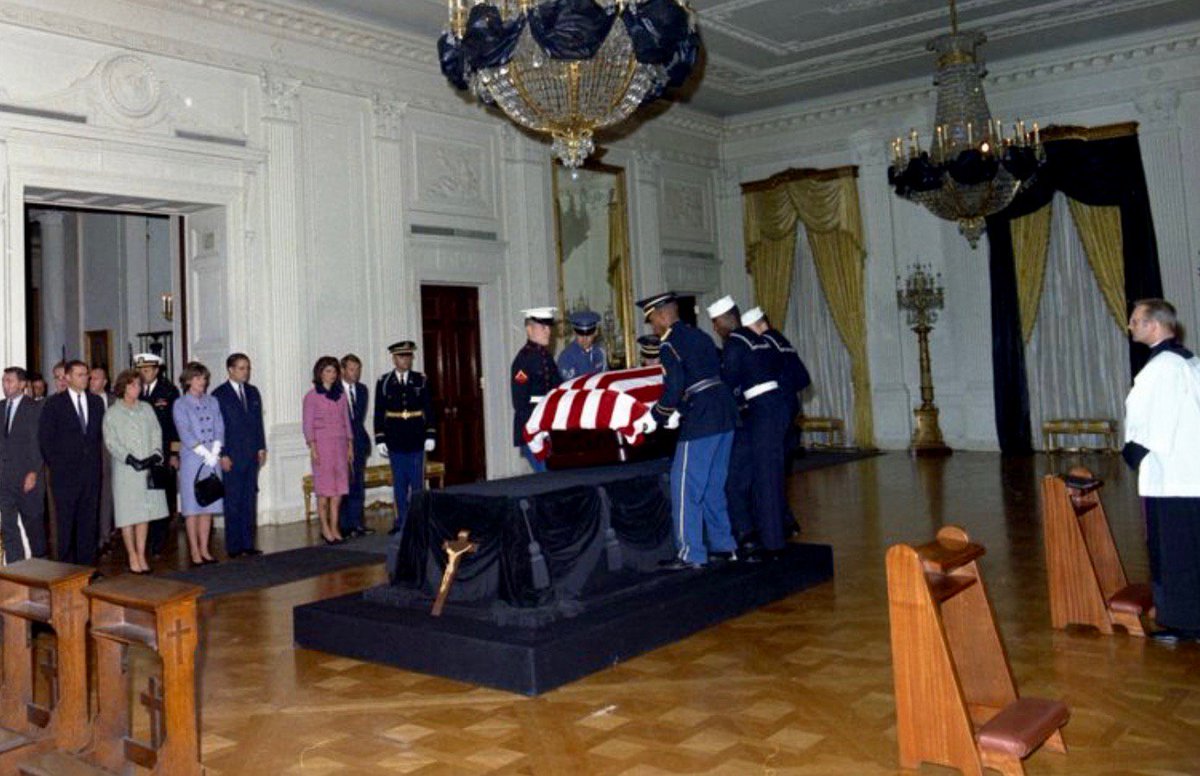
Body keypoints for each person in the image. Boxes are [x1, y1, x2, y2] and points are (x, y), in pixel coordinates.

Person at [639, 291, 738, 569]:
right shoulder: (700, 336)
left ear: (662, 315)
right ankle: (724, 545)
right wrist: (679, 411)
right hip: (724, 413)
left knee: (685, 485)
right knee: (713, 485)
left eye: (652, 320)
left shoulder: (669, 344)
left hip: (702, 419)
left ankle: (690, 553)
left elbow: (675, 385)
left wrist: (656, 416)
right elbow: (704, 377)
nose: (653, 326)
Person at [1122, 298, 1200, 643]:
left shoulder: (1164, 367)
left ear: (1154, 325)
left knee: (1176, 553)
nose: (1130, 326)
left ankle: (1186, 624)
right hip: (1189, 472)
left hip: (1173, 478)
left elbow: (1153, 419)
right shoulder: (1188, 360)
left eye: (1136, 321)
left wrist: (1133, 453)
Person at [709, 296, 789, 561]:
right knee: (767, 475)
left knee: (765, 479)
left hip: (762, 412)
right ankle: (772, 536)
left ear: (723, 321)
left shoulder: (734, 343)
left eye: (716, 324)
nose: (716, 329)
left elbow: (729, 381)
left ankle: (772, 544)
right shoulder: (757, 338)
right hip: (774, 407)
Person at [743, 305, 811, 538]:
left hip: (775, 410)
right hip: (788, 408)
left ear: (760, 325)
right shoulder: (781, 340)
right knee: (779, 471)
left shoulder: (768, 343)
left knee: (772, 472)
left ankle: (780, 523)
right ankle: (786, 520)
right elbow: (802, 378)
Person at [38, 360, 105, 564]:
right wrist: (58, 467)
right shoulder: (54, 404)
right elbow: (45, 440)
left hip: (90, 474)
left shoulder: (96, 402)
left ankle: (87, 568)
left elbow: (97, 438)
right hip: (65, 476)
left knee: (88, 523)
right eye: (80, 375)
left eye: (86, 374)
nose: (85, 378)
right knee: (66, 524)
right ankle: (67, 570)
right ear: (67, 377)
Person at [103, 369, 168, 575]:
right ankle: (131, 555)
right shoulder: (113, 412)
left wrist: (155, 454)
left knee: (144, 513)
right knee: (127, 514)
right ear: (123, 387)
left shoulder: (146, 408)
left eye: (139, 385)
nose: (137, 388)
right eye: (132, 385)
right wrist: (129, 458)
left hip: (147, 468)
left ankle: (141, 554)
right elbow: (111, 441)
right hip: (126, 470)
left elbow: (156, 431)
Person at [374, 341, 436, 536]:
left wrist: (430, 434)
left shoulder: (420, 380)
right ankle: (401, 522)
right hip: (395, 438)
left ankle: (418, 523)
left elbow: (428, 408)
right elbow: (379, 412)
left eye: (409, 356)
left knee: (417, 484)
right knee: (399, 484)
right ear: (394, 359)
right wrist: (380, 438)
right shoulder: (384, 382)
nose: (406, 360)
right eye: (402, 356)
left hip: (416, 437)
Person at [212, 353, 267, 558]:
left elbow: (258, 423)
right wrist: (222, 454)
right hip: (232, 455)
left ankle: (248, 544)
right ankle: (234, 546)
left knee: (249, 500)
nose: (246, 372)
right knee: (233, 501)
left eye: (248, 368)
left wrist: (261, 447)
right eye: (242, 368)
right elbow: (217, 428)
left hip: (251, 454)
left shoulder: (253, 392)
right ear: (231, 370)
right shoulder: (219, 394)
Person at [174, 361, 223, 567]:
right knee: (193, 507)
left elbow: (219, 425)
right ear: (188, 380)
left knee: (208, 505)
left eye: (203, 378)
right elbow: (184, 431)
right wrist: (202, 451)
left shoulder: (213, 401)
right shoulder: (180, 404)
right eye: (197, 377)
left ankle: (205, 549)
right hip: (193, 459)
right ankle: (194, 550)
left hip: (212, 458)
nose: (202, 381)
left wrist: (216, 449)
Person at [305, 357, 353, 545]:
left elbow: (346, 421)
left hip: (340, 445)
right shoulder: (311, 396)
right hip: (322, 446)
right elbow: (308, 425)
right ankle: (325, 528)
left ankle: (335, 527)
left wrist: (350, 445)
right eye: (328, 371)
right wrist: (313, 448)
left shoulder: (341, 395)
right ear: (320, 373)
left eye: (334, 371)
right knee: (324, 490)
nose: (332, 375)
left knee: (338, 490)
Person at [0, 367, 46, 561]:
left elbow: (39, 443)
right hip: (4, 479)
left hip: (27, 478)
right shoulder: (1, 407)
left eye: (9, 381)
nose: (5, 385)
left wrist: (33, 472)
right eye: (3, 381)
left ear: (22, 384)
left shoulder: (34, 408)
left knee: (34, 527)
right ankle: (16, 569)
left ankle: (41, 568)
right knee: (9, 527)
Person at [136, 353, 181, 556]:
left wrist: (174, 453)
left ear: (156, 370)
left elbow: (175, 426)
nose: (143, 374)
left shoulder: (168, 391)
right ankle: (145, 539)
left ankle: (158, 540)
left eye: (146, 370)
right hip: (141, 452)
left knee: (161, 497)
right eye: (140, 370)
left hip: (162, 453)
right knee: (143, 497)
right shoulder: (134, 390)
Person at [511, 307, 562, 473]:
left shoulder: (546, 357)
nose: (548, 331)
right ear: (529, 329)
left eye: (549, 327)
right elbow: (520, 403)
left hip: (547, 426)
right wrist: (534, 430)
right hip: (532, 430)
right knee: (546, 475)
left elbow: (558, 389)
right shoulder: (523, 360)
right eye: (543, 327)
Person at [339, 354, 373, 538]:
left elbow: (358, 420)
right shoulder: (335, 390)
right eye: (352, 369)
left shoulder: (362, 390)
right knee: (343, 485)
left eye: (358, 369)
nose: (356, 373)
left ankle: (357, 523)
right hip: (340, 444)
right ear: (342, 370)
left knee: (358, 484)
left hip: (359, 443)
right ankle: (344, 526)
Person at [90, 365, 117, 552]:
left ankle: (105, 535)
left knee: (108, 495)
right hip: (91, 454)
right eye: (90, 378)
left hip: (111, 454)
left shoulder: (115, 401)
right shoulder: (84, 400)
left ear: (105, 382)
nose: (92, 381)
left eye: (96, 378)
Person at [557, 310, 606, 380]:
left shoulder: (600, 352)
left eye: (589, 333)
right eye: (580, 333)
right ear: (574, 332)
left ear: (596, 332)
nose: (584, 338)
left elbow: (605, 378)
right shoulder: (567, 357)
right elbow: (571, 384)